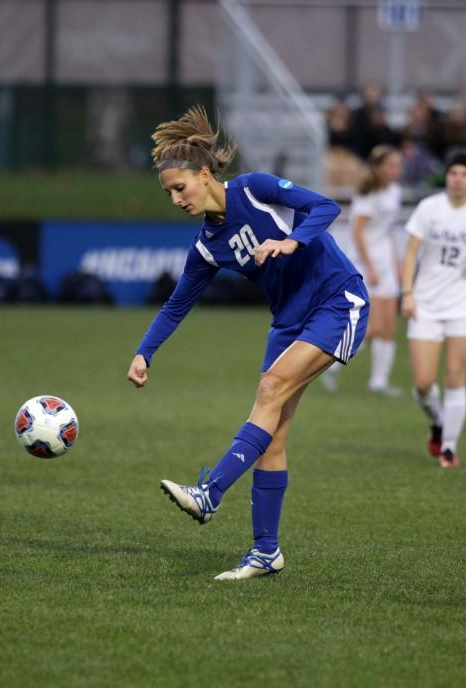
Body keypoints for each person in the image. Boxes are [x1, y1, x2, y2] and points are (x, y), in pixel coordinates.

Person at [126, 107, 369, 580]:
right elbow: (176, 305)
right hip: (289, 321)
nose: (176, 199)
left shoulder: (254, 189)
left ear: (204, 174)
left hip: (337, 299)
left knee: (269, 389)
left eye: (181, 188)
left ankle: (210, 493)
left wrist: (292, 242)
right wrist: (143, 352)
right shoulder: (205, 247)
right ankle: (265, 552)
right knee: (272, 434)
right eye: (169, 193)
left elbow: (325, 207)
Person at [400, 151, 466, 468]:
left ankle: (449, 446)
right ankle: (438, 422)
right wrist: (407, 293)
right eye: (453, 173)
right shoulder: (428, 208)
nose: (458, 179)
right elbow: (409, 256)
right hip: (427, 302)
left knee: (455, 376)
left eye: (465, 174)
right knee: (422, 383)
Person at [321, 145, 403, 395]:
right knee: (373, 326)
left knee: (389, 326)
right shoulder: (368, 194)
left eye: (398, 165)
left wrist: (395, 264)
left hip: (385, 263)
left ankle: (379, 382)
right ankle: (331, 365)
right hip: (367, 264)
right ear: (377, 168)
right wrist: (370, 267)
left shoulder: (394, 191)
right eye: (390, 165)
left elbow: (386, 232)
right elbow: (358, 233)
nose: (395, 170)